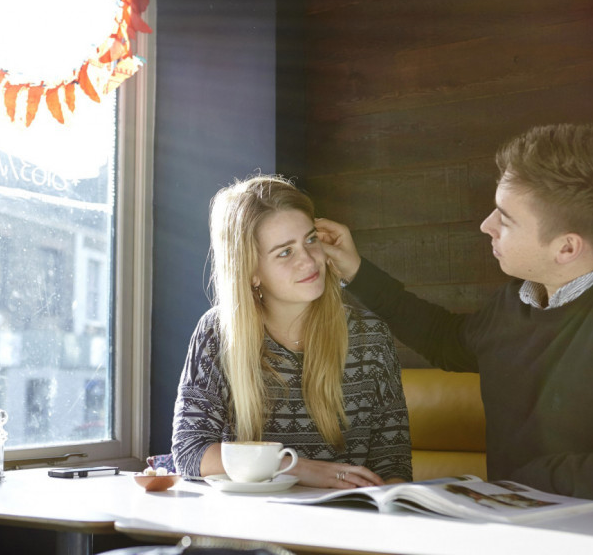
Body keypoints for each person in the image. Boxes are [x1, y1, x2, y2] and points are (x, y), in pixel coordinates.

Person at [316, 123, 593, 510]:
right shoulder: (517, 300)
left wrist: (524, 483)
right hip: (521, 530)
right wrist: (356, 271)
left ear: (566, 248)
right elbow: (444, 339)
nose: (486, 225)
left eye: (505, 218)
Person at [171, 175, 412, 488]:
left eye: (310, 240)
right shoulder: (217, 333)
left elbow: (394, 464)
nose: (309, 261)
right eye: (285, 252)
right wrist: (299, 469)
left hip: (346, 516)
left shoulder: (371, 337)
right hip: (252, 517)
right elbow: (190, 451)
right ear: (252, 272)